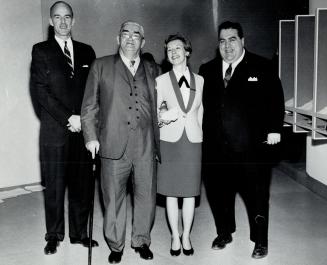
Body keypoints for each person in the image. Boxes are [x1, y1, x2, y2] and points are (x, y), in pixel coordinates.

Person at [199, 21, 284, 259]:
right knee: (218, 193)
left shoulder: (262, 66)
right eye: (222, 41)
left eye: (232, 39)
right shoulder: (207, 69)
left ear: (243, 41)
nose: (227, 46)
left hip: (252, 148)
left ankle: (260, 240)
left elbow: (276, 100)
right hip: (216, 148)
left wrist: (274, 129)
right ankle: (224, 232)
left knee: (257, 196)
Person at [81, 21, 161, 264]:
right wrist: (91, 137)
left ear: (143, 42)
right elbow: (89, 106)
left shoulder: (152, 68)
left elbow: (163, 102)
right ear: (118, 39)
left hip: (146, 144)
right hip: (112, 144)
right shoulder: (101, 65)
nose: (130, 39)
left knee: (146, 195)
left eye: (136, 35)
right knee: (113, 197)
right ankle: (116, 245)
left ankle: (141, 240)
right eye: (125, 34)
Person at [31, 1, 98, 255]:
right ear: (50, 21)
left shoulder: (86, 51)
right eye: (57, 18)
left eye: (67, 17)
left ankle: (79, 233)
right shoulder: (41, 51)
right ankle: (53, 235)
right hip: (55, 131)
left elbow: (93, 91)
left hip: (83, 130)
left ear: (73, 21)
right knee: (55, 186)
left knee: (81, 185)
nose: (62, 22)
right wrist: (68, 117)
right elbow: (41, 91)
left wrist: (84, 119)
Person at [156, 33, 204, 257]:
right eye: (169, 50)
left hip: (192, 141)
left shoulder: (201, 80)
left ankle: (187, 236)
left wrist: (198, 131)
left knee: (190, 194)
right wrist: (167, 115)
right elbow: (156, 114)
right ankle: (175, 235)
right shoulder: (161, 81)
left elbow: (200, 111)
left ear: (187, 51)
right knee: (171, 193)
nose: (173, 53)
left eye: (178, 48)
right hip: (169, 141)